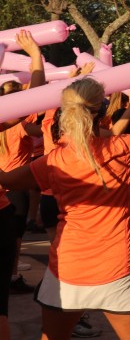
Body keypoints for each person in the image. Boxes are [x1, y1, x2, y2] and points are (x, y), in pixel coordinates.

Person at [0, 65, 130, 340]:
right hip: (118, 264)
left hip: (68, 267)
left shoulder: (54, 160)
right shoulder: (126, 146)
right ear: (102, 111)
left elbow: (8, 181)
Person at [0, 31, 46, 298]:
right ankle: (13, 275)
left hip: (8, 187)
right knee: (14, 239)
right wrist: (36, 57)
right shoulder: (18, 126)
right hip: (12, 185)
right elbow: (34, 100)